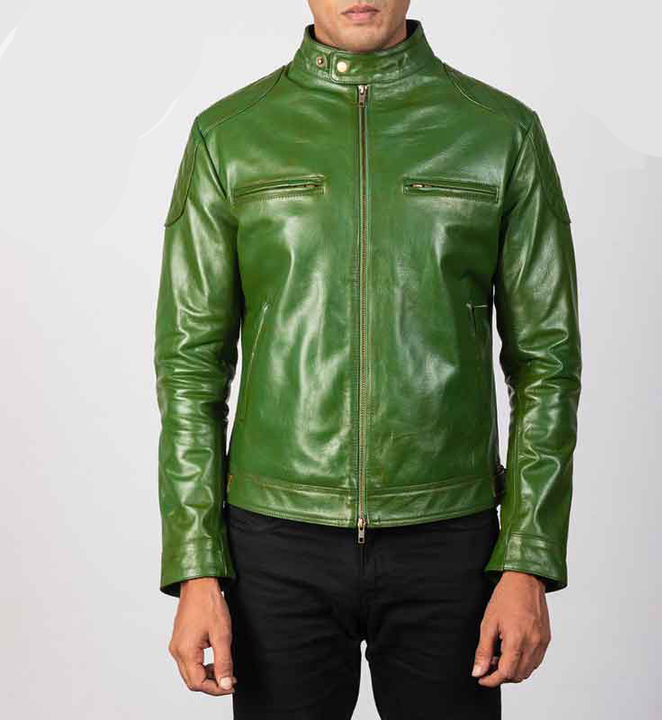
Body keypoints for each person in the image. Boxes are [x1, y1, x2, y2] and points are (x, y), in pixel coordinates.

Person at [153, 1, 582, 717]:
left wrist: (527, 558)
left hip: (449, 536)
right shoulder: (229, 137)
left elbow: (549, 362)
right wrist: (196, 566)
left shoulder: (499, 133)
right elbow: (190, 368)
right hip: (275, 541)